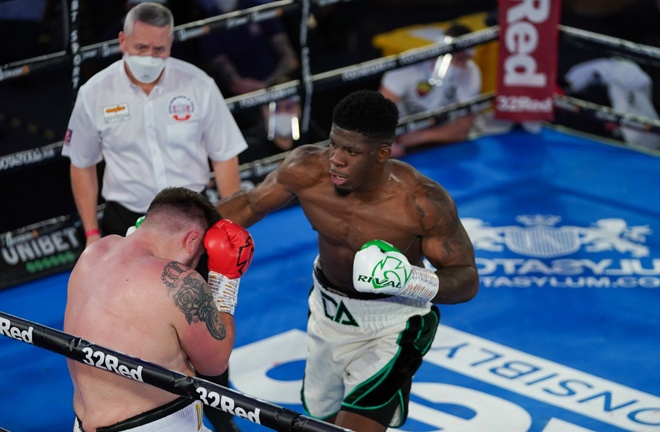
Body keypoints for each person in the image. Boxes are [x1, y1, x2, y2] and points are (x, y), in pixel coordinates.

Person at [216, 90, 479, 432]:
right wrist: (170, 225)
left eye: (351, 151)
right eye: (334, 144)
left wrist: (411, 280)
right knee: (318, 422)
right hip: (326, 313)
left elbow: (466, 278)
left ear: (382, 154)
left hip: (393, 326)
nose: (336, 159)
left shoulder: (421, 201)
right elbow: (250, 204)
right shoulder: (306, 169)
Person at [61, 3, 248, 430]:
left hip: (191, 223)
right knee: (122, 327)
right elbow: (81, 163)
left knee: (204, 334)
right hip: (130, 219)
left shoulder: (197, 84)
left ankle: (221, 417)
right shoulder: (95, 92)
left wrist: (229, 224)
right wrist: (92, 232)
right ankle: (134, 408)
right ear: (122, 42)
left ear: (171, 44)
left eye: (159, 49)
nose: (150, 56)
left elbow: (225, 156)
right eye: (141, 46)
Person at [64, 186, 255, 432]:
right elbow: (215, 364)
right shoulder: (179, 281)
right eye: (199, 257)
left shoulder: (94, 252)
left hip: (83, 424)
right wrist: (225, 283)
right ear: (192, 240)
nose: (196, 265)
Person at [197, 0, 303, 162]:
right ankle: (272, 157)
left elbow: (290, 59)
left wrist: (270, 85)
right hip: (247, 96)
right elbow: (234, 81)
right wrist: (262, 93)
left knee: (286, 97)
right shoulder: (209, 24)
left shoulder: (257, 8)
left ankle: (293, 148)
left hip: (278, 83)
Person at [379, 23, 482, 157]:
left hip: (440, 138)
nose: (458, 64)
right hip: (399, 132)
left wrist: (418, 137)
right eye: (454, 57)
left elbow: (462, 129)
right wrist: (387, 140)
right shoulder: (410, 63)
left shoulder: (470, 73)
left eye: (463, 59)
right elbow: (381, 108)